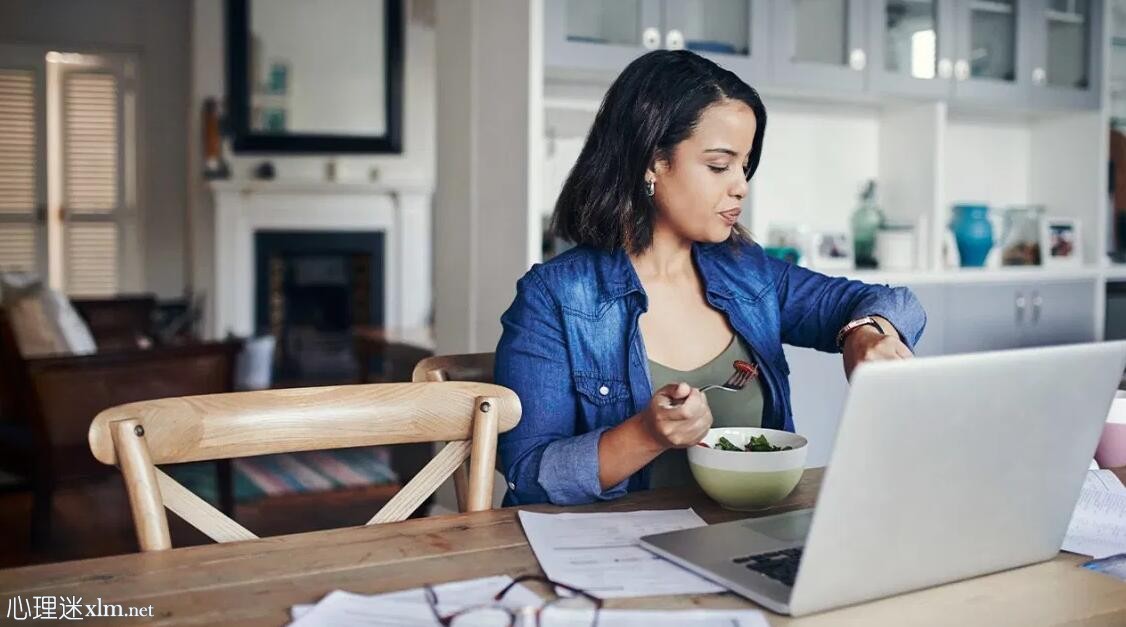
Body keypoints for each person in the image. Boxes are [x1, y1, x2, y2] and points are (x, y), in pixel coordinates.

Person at [495, 50, 925, 506]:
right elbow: (529, 474)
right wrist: (646, 433)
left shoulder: (748, 273)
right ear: (652, 161)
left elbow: (891, 301)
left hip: (749, 538)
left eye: (744, 165)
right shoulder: (555, 297)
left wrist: (864, 331)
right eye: (719, 166)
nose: (740, 184)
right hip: (611, 560)